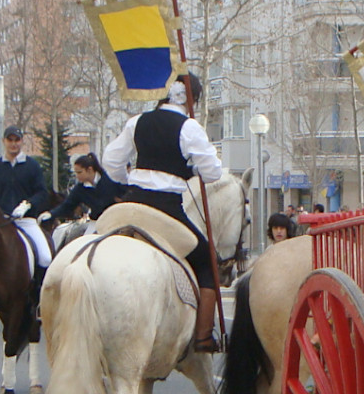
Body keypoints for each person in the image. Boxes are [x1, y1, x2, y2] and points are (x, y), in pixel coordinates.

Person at [101, 72, 224, 353]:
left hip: (132, 204)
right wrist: (190, 168)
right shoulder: (189, 127)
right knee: (208, 262)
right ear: (191, 100)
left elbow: (111, 160)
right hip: (167, 210)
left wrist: (126, 178)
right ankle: (204, 337)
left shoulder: (136, 122)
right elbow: (213, 172)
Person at [0, 125, 53, 285]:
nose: (13, 144)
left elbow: (42, 193)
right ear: (4, 141)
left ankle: (38, 295)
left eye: (17, 140)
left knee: (45, 257)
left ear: (21, 142)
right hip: (0, 222)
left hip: (26, 220)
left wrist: (28, 204)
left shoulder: (32, 166)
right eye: (10, 140)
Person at [37, 152, 123, 226]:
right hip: (96, 223)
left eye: (79, 172)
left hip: (117, 220)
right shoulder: (79, 189)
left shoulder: (111, 179)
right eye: (76, 173)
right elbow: (67, 206)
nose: (77, 176)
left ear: (89, 170)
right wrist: (51, 214)